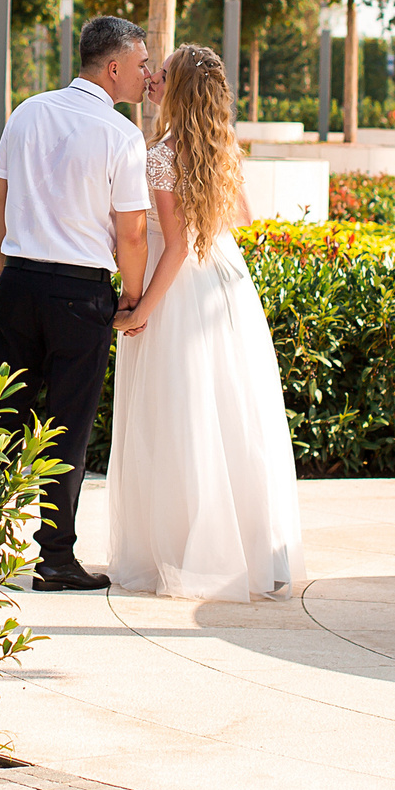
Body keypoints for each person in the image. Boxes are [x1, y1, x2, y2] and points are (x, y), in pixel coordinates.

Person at [104, 44, 304, 601]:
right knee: (231, 413)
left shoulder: (162, 155)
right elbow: (238, 218)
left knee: (179, 417)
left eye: (160, 74)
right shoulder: (217, 149)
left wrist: (139, 309)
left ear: (178, 90)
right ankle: (248, 548)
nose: (150, 79)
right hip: (226, 284)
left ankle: (185, 552)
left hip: (182, 291)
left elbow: (177, 244)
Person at [0, 14, 151, 591]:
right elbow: (131, 232)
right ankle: (54, 559)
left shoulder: (27, 110)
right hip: (81, 295)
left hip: (19, 283)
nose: (146, 74)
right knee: (68, 428)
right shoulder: (122, 136)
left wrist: (8, 269)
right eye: (140, 64)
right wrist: (131, 299)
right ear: (113, 67)